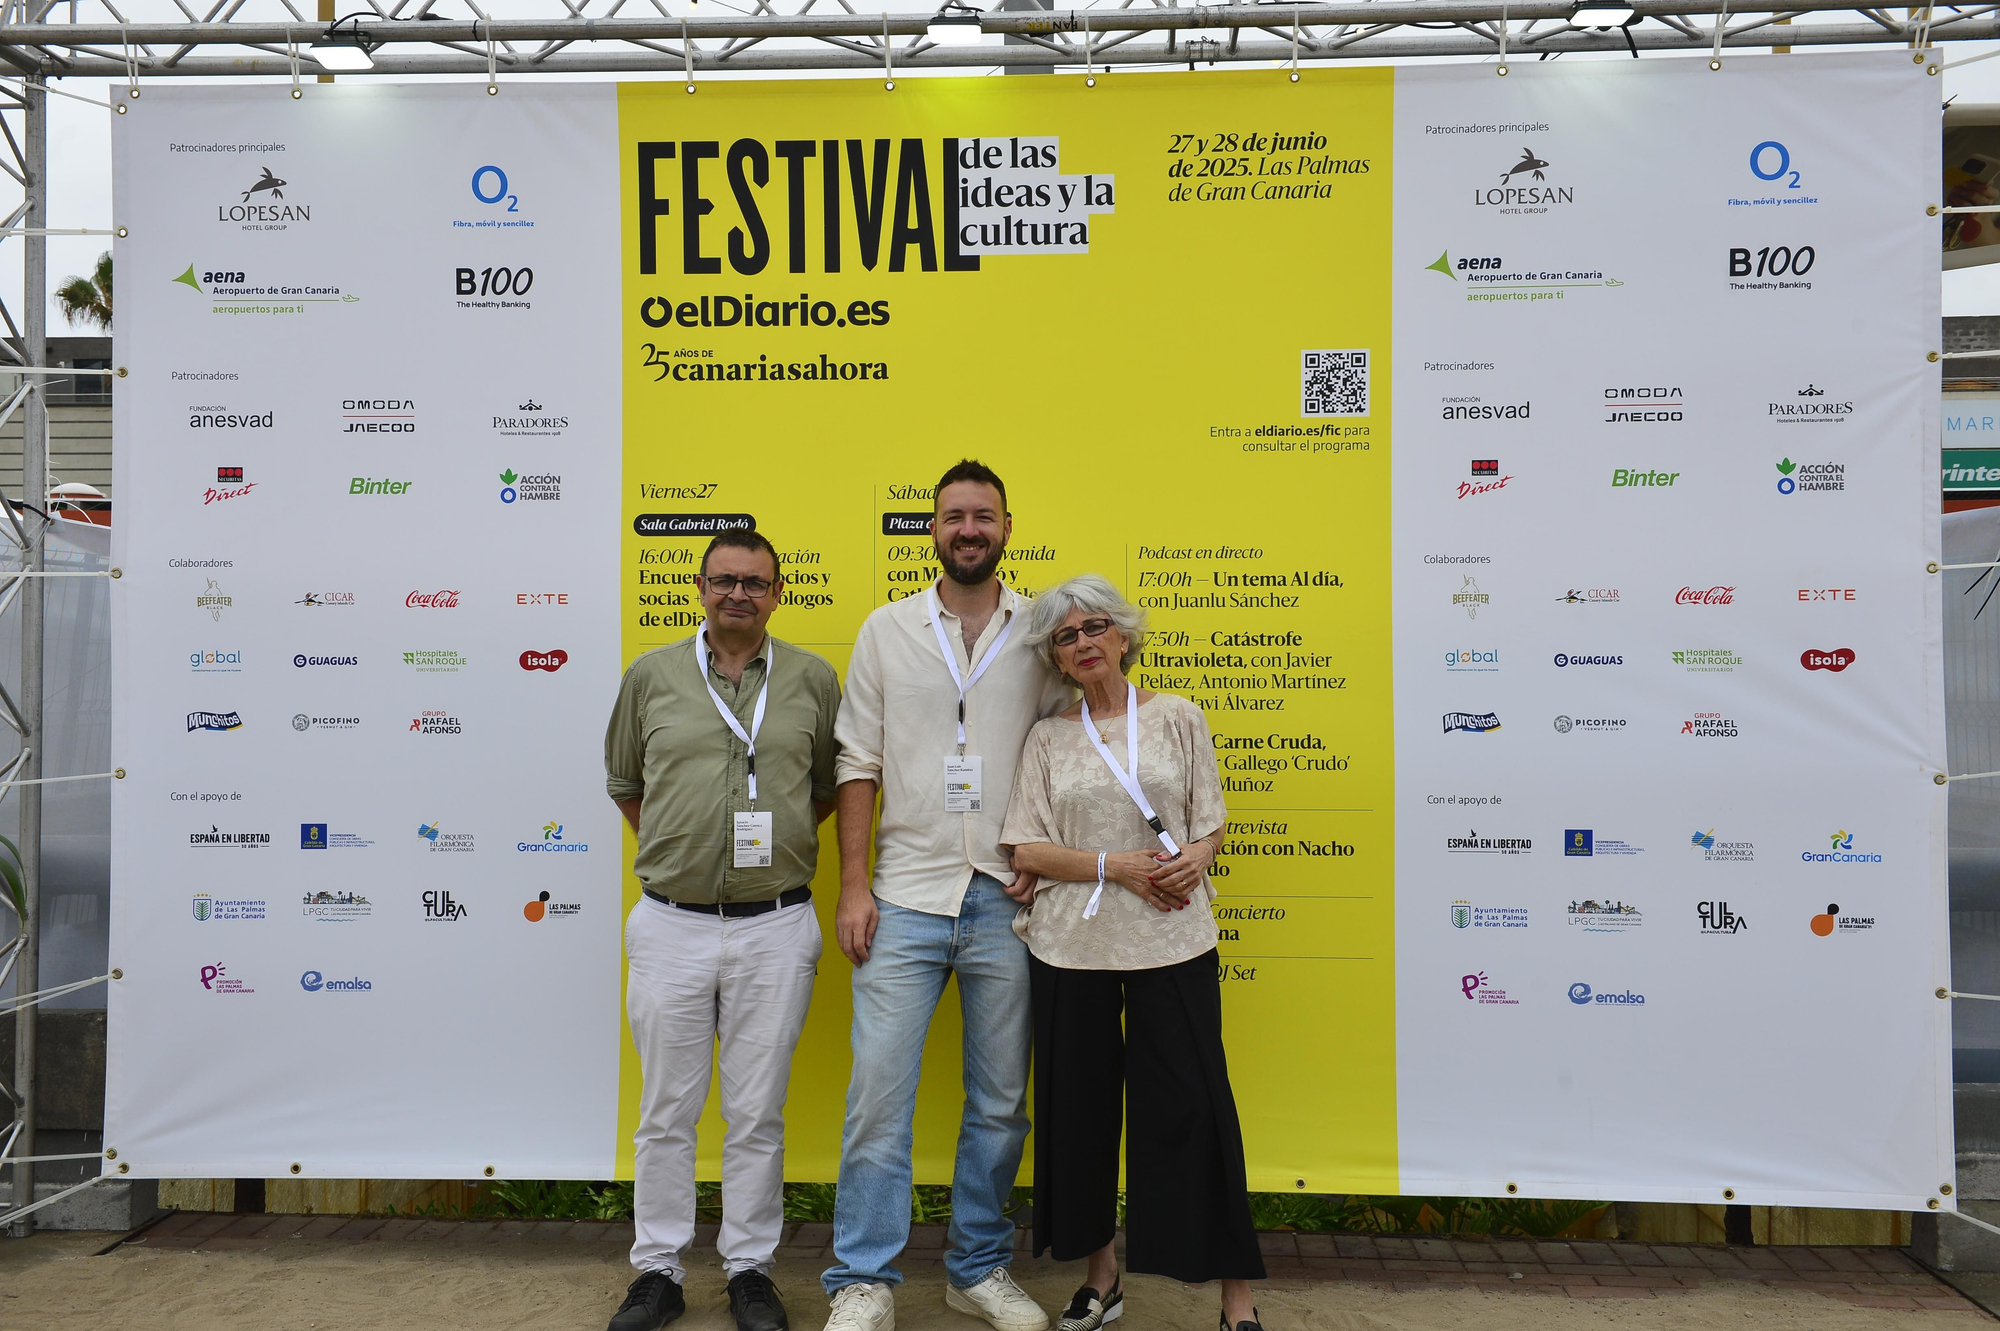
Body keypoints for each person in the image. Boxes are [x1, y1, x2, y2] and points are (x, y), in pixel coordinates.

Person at [822, 460, 1071, 1331]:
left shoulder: (1040, 631)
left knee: (1002, 1102)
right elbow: (856, 762)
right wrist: (853, 885)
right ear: (932, 528)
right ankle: (863, 1279)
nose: (969, 528)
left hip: (1007, 897)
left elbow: (1062, 749)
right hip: (902, 896)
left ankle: (978, 1267)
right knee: (878, 1096)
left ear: (1008, 526)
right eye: (954, 516)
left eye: (984, 516)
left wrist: (1046, 851)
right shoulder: (886, 630)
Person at [998, 574, 1266, 1331]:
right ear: (1054, 656)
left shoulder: (1180, 716)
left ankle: (1236, 1296)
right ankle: (1100, 1279)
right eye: (1065, 635)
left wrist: (1200, 857)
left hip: (1172, 941)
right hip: (1069, 949)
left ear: (1122, 634)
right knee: (1077, 1116)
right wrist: (1119, 866)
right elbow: (1027, 844)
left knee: (1196, 1112)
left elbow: (1210, 822)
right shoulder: (1047, 738)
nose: (1082, 642)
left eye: (1094, 627)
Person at [603, 527, 842, 1331]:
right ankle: (658, 1273)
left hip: (775, 923)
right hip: (671, 922)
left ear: (778, 592)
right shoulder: (652, 676)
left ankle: (749, 1270)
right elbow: (626, 782)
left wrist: (758, 851)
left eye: (755, 581)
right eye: (724, 579)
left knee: (757, 1110)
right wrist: (686, 850)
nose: (738, 591)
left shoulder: (812, 679)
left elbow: (822, 792)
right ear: (700, 587)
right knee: (666, 1109)